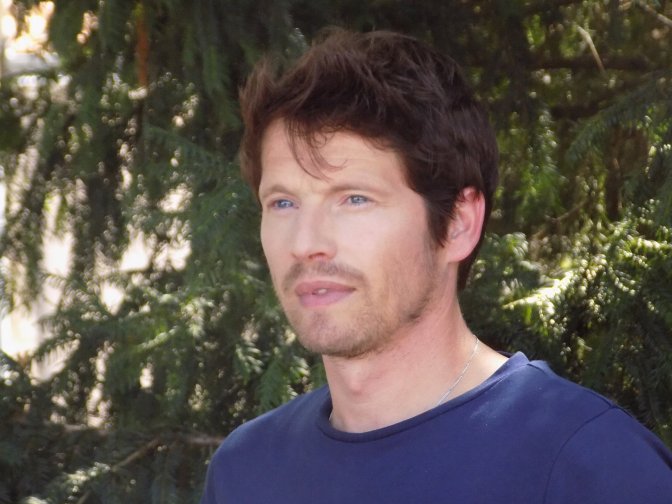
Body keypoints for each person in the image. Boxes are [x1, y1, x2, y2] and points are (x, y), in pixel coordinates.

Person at [201, 30, 672, 503]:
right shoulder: (245, 471)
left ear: (458, 224)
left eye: (355, 199)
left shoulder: (590, 467)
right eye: (283, 203)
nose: (306, 244)